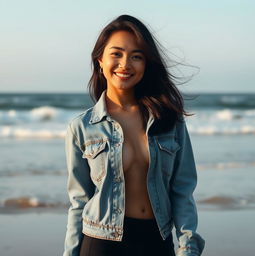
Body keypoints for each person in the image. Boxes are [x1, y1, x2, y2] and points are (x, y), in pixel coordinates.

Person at [63, 14, 205, 256]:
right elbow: (79, 202)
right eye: (116, 53)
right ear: (100, 60)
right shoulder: (82, 126)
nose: (125, 64)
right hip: (100, 242)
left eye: (136, 56)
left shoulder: (169, 121)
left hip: (156, 241)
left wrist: (187, 247)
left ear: (146, 64)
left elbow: (182, 191)